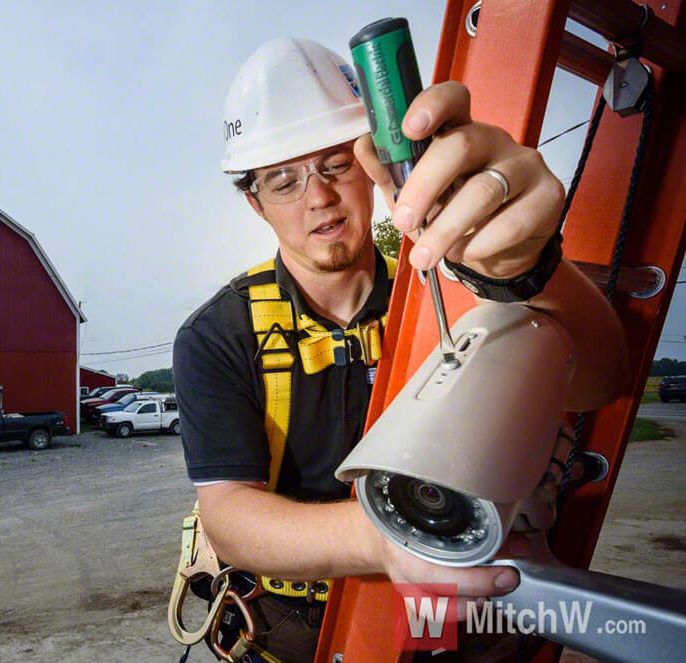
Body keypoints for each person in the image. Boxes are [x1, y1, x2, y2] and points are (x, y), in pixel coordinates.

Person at [172, 37, 628, 663]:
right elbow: (229, 517)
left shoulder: (450, 283)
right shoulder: (219, 335)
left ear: (373, 164)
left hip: (452, 626)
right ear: (254, 202)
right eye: (283, 180)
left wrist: (528, 269)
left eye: (336, 163)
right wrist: (384, 540)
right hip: (300, 633)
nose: (318, 197)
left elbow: (602, 379)